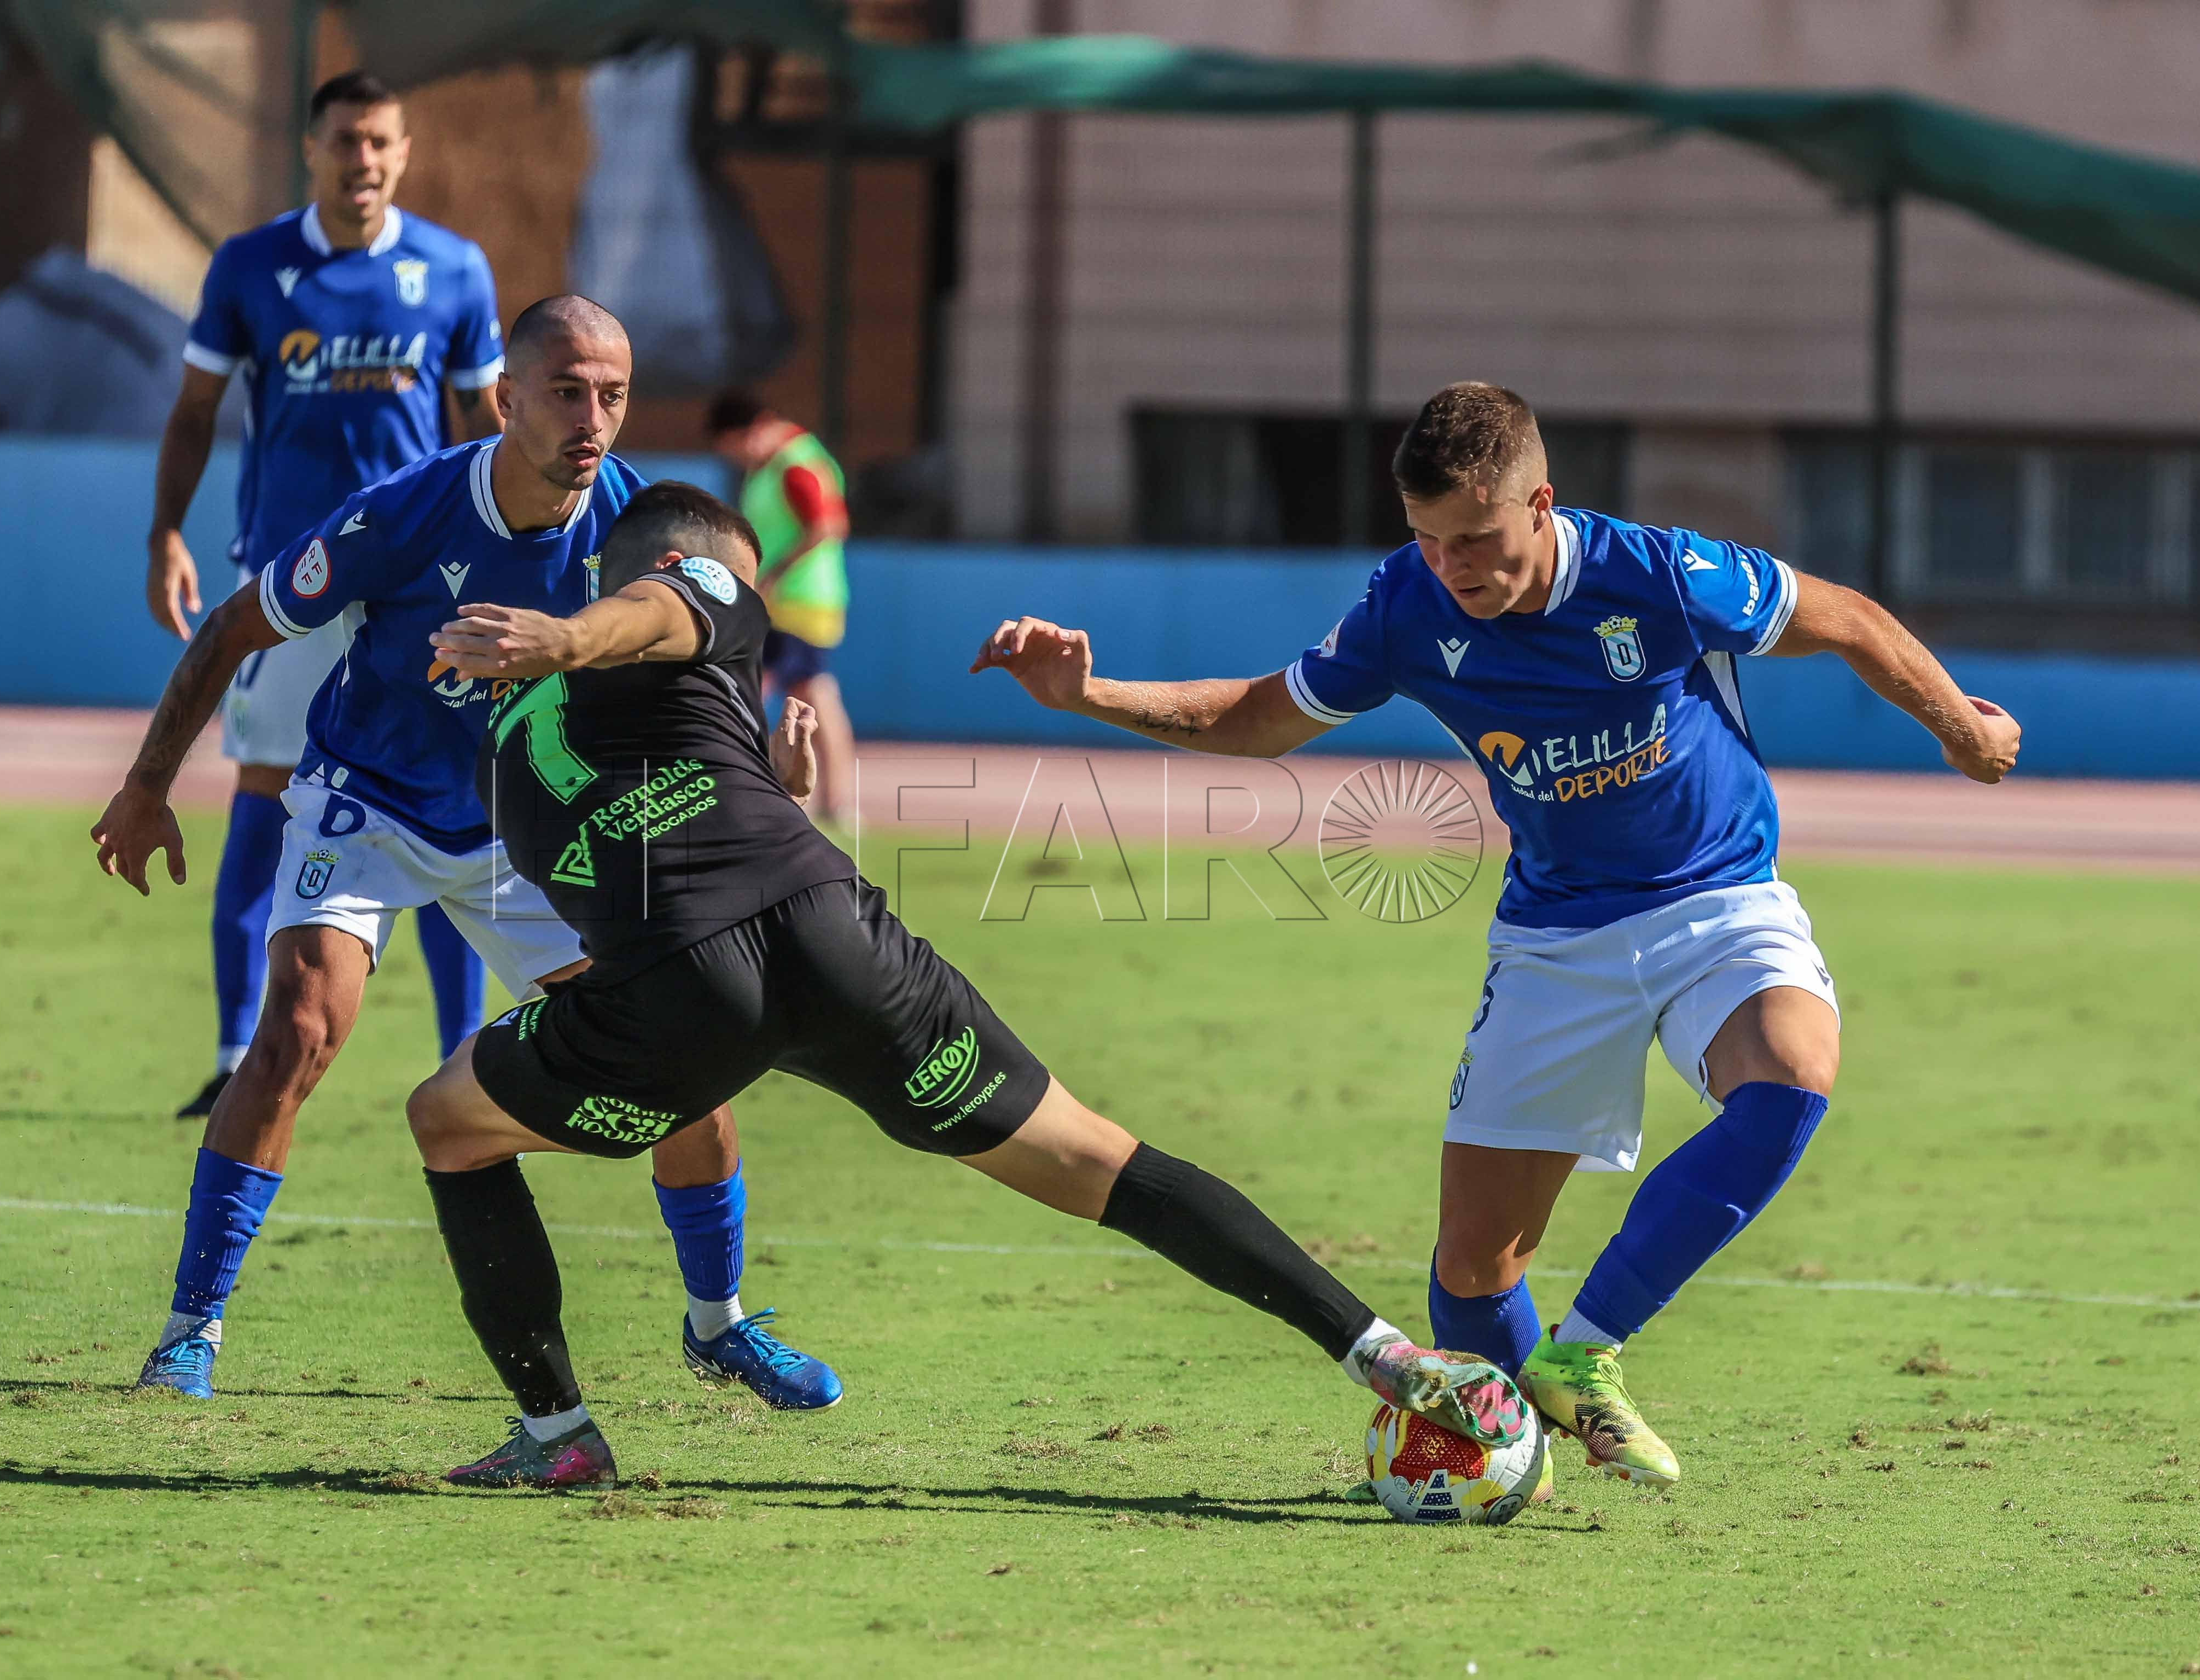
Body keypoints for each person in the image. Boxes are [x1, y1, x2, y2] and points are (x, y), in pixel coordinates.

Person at [971, 382, 2022, 1490]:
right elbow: (1257, 716)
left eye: (1471, 538)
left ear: (1539, 504)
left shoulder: (1658, 574)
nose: (1449, 566)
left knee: (1792, 1072)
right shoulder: (1404, 606)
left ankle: (1588, 1348)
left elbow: (1846, 617)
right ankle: (1530, 1444)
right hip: (1554, 936)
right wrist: (1089, 696)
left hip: (1716, 899)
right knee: (1473, 1267)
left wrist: (1958, 725)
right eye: (1425, 540)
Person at [396, 479, 1527, 1490]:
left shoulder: (504, 744)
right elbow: (666, 615)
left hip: (689, 994)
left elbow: (637, 870)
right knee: (1101, 1158)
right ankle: (1383, 1351)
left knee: (450, 1123)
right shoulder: (689, 583)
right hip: (835, 946)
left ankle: (559, 1429)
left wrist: (737, 780)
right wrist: (575, 633)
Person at [93, 296, 839, 1410]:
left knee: (687, 1045)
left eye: (614, 395)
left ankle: (718, 1323)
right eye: (566, 391)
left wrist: (770, 767)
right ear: (505, 398)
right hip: (372, 800)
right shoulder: (406, 513)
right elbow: (236, 623)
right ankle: (189, 1329)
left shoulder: (643, 536)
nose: (593, 419)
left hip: (532, 828)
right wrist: (149, 783)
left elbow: (703, 676)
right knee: (297, 1029)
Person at [148, 71, 491, 1120]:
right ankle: (229, 1048)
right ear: (313, 147)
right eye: (347, 141)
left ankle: (466, 1060)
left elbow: (482, 427)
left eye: (382, 143)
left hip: (419, 585)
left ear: (405, 149)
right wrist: (165, 528)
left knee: (448, 811)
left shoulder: (454, 269)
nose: (366, 162)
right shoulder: (253, 266)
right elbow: (197, 410)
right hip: (289, 579)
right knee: (262, 793)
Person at [706, 390, 855, 820]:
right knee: (801, 691)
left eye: (733, 446)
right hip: (788, 602)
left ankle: (825, 798)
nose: (734, 457)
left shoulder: (795, 465)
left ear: (750, 430)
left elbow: (828, 526)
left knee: (785, 690)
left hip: (799, 602)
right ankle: (826, 800)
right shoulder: (774, 466)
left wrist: (772, 576)